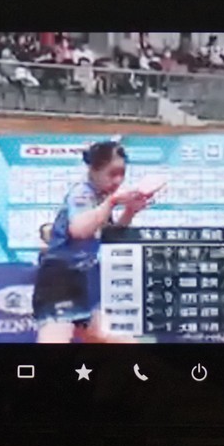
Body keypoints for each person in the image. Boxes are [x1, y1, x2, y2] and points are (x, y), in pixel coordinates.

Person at [32, 141, 151, 343]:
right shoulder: (82, 193)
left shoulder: (100, 198)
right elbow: (79, 230)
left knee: (111, 338)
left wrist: (130, 211)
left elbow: (109, 236)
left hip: (85, 280)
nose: (118, 180)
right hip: (59, 281)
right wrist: (112, 202)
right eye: (112, 173)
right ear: (94, 170)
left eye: (122, 173)